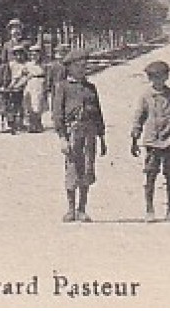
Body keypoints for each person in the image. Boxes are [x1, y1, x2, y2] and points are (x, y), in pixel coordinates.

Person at [50, 49, 106, 222]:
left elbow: (98, 113)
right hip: (72, 132)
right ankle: (70, 209)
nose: (83, 69)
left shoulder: (91, 88)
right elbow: (57, 114)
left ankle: (82, 209)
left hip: (90, 132)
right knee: (72, 169)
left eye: (84, 66)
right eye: (79, 66)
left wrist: (102, 137)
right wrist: (62, 138)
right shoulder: (62, 87)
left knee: (88, 169)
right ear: (70, 68)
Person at [129, 59, 170, 220]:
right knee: (150, 175)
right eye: (153, 77)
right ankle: (149, 209)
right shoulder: (146, 96)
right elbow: (139, 117)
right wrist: (134, 138)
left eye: (160, 77)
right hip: (152, 142)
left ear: (166, 77)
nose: (157, 81)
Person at [22, 45, 48, 133]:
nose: (34, 57)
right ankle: (31, 124)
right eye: (32, 55)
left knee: (39, 104)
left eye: (36, 55)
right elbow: (23, 75)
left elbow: (46, 76)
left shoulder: (43, 65)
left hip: (40, 84)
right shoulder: (27, 65)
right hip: (30, 84)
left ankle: (38, 123)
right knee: (30, 104)